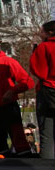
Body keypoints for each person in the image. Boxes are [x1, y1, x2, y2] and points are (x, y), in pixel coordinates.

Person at [30, 20, 55, 159]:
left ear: (49, 32)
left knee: (47, 134)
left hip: (48, 93)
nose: (40, 34)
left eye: (42, 31)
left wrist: (34, 53)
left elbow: (39, 71)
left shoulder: (45, 47)